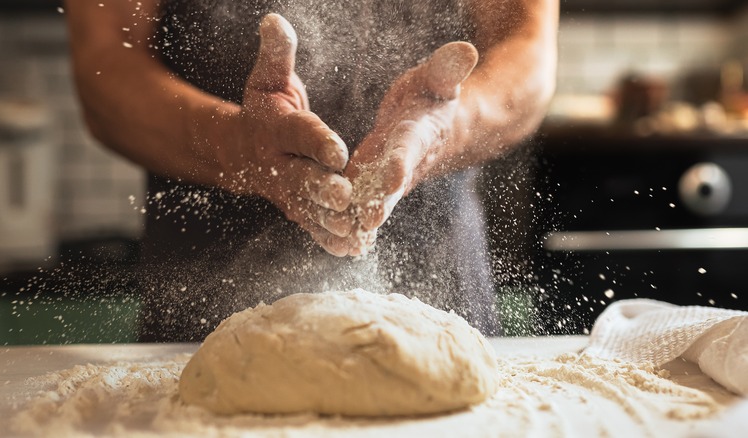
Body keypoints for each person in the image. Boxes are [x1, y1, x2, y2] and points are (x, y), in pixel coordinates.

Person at [64, 0, 558, 341]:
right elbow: (104, 67)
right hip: (202, 308)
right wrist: (236, 146)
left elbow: (528, 54)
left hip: (441, 294)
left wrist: (446, 126)